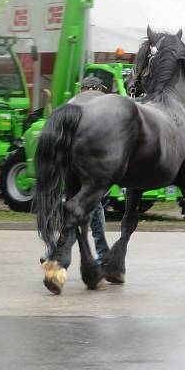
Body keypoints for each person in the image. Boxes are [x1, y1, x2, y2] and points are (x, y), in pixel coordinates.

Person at [75, 76, 110, 265]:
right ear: (93, 89)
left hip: (77, 171)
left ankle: (53, 252)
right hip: (88, 171)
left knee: (89, 210)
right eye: (99, 90)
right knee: (84, 211)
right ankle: (54, 253)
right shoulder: (94, 111)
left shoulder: (73, 108)